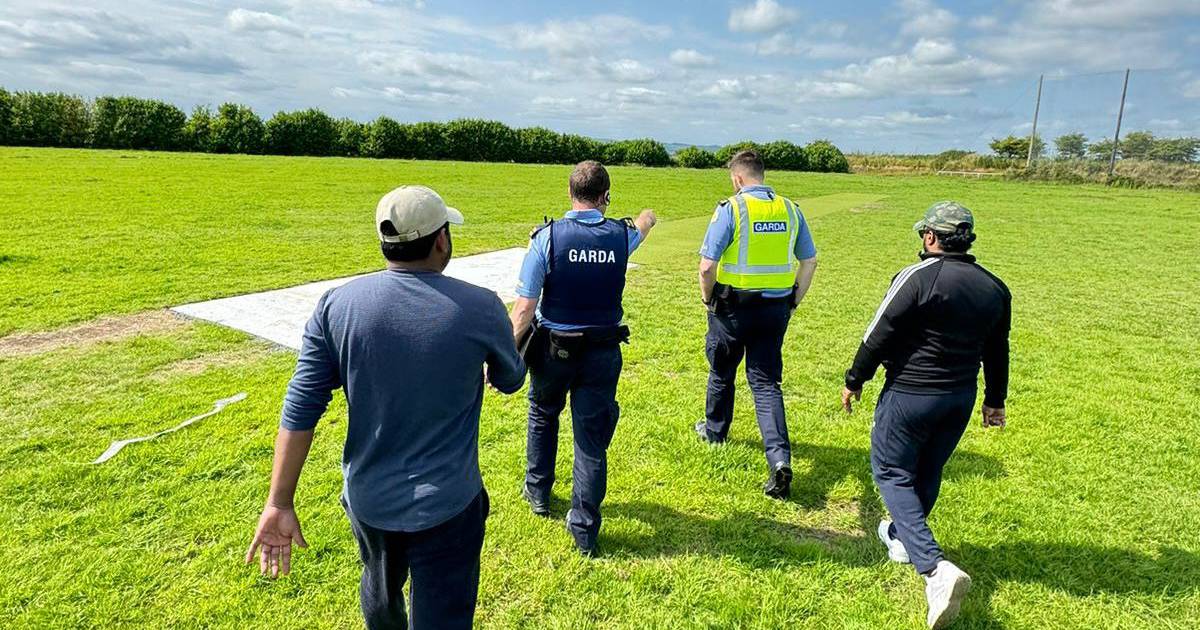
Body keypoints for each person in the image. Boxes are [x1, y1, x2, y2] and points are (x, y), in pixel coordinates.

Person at [245, 185, 527, 630]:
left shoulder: (337, 306)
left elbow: (301, 405)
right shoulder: (481, 307)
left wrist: (279, 501)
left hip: (369, 500)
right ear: (441, 240)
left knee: (379, 597)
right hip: (450, 503)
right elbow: (510, 380)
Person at [840, 201, 1010, 630]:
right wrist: (995, 400)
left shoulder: (917, 276)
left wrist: (854, 378)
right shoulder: (995, 287)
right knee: (928, 468)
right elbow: (998, 350)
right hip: (960, 397)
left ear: (931, 237)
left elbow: (878, 332)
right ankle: (900, 538)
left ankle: (934, 570)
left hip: (911, 394)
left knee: (891, 470)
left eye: (923, 235)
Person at [509, 160, 657, 556]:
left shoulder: (547, 238)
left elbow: (524, 309)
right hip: (603, 351)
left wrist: (507, 354)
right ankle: (585, 528)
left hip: (554, 348)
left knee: (543, 413)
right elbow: (643, 224)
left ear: (570, 194)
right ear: (606, 197)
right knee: (590, 440)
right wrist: (647, 217)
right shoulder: (620, 237)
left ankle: (538, 491)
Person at [695, 149, 819, 499]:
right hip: (775, 310)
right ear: (761, 175)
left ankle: (715, 430)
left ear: (737, 179)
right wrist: (794, 299)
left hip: (733, 309)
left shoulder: (731, 209)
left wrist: (708, 299)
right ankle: (779, 460)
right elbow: (809, 261)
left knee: (721, 371)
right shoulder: (790, 209)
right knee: (765, 384)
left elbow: (707, 267)